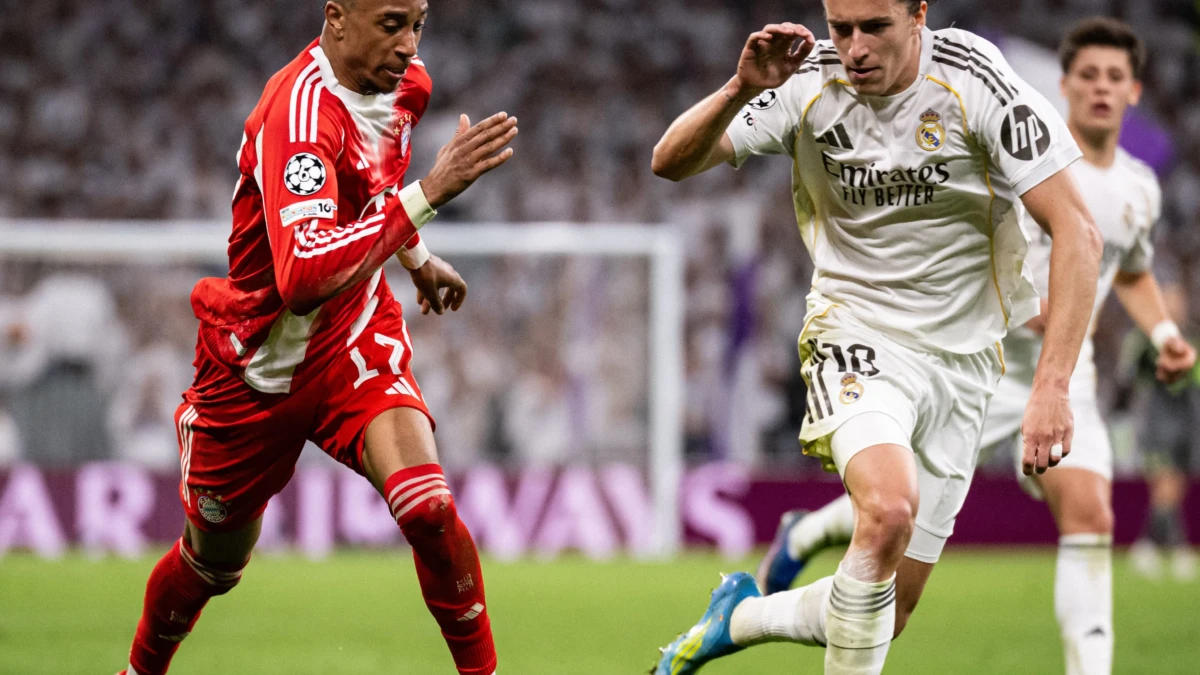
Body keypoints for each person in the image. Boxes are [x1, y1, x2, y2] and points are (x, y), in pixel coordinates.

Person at [650, 0, 1104, 673]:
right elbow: (670, 161)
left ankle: (736, 619)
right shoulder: (807, 79)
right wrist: (741, 88)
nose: (855, 47)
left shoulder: (973, 79)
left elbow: (1078, 231)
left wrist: (1053, 385)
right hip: (855, 331)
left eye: (875, 28)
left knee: (886, 613)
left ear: (918, 14)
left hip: (964, 360)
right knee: (889, 510)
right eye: (841, 28)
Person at [754, 17, 1198, 675]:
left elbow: (1129, 270)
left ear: (1134, 91)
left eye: (1115, 78)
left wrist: (1163, 333)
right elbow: (961, 240)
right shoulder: (1017, 148)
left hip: (1059, 375)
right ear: (1063, 86)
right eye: (1088, 76)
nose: (1100, 89)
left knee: (1090, 513)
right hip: (969, 359)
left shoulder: (1138, 189)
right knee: (893, 516)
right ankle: (811, 531)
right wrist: (1019, 306)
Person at [116, 1, 517, 674]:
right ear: (336, 18)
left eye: (418, 24)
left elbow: (374, 182)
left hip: (351, 336)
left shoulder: (405, 85)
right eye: (392, 24)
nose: (409, 45)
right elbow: (302, 276)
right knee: (212, 568)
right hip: (255, 368)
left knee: (428, 508)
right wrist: (429, 194)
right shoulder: (298, 117)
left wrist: (416, 258)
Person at [1126, 268, 1200, 581]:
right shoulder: (1146, 341)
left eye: (1179, 301)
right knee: (1165, 487)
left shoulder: (1193, 339)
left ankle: (1148, 546)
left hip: (1188, 424)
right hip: (1157, 423)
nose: (1176, 307)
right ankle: (1178, 547)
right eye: (1169, 301)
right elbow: (1131, 375)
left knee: (1175, 488)